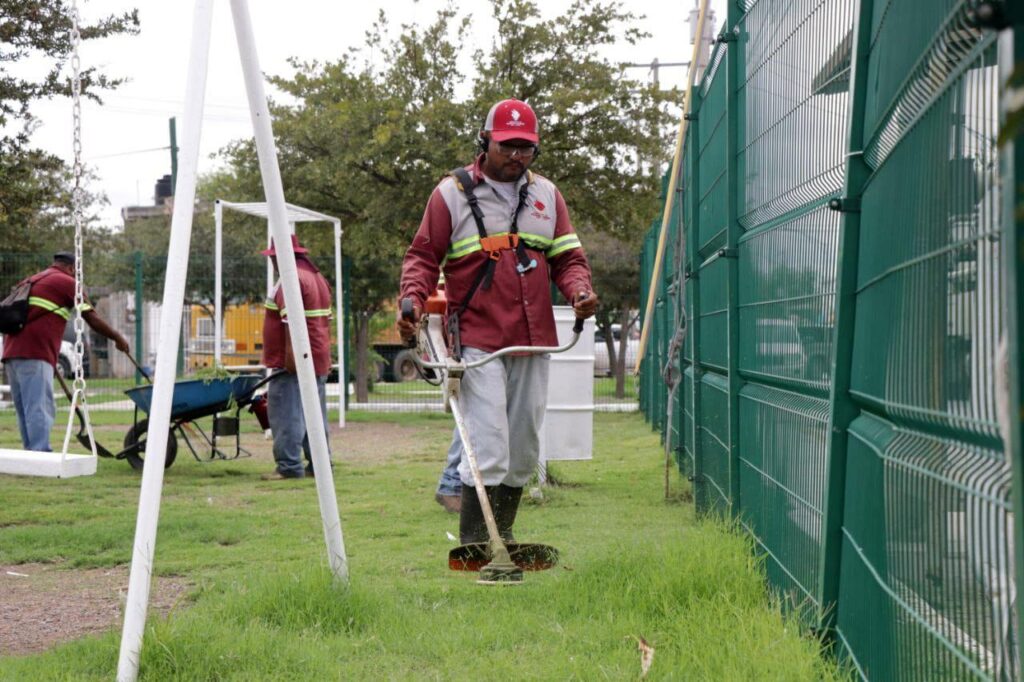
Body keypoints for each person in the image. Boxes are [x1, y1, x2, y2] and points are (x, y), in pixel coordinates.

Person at [399, 98, 598, 543]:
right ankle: (474, 543)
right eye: (507, 145)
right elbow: (422, 257)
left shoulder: (547, 195)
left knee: (524, 451)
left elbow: (568, 258)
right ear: (484, 141)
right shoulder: (451, 193)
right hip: (478, 338)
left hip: (534, 340)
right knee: (487, 446)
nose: (516, 156)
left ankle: (503, 538)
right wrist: (411, 300)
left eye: (526, 147)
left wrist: (580, 291)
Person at [1, 251, 129, 452]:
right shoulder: (67, 283)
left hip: (12, 352)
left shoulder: (34, 279)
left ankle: (32, 453)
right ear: (71, 269)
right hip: (35, 353)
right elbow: (92, 318)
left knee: (25, 408)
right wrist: (117, 338)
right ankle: (40, 453)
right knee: (39, 406)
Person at [260, 235, 334, 480]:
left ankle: (289, 467)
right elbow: (325, 323)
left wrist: (292, 358)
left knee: (286, 414)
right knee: (314, 416)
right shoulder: (318, 279)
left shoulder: (291, 282)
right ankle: (320, 465)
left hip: (291, 362)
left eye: (273, 258)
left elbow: (291, 323)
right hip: (318, 358)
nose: (273, 263)